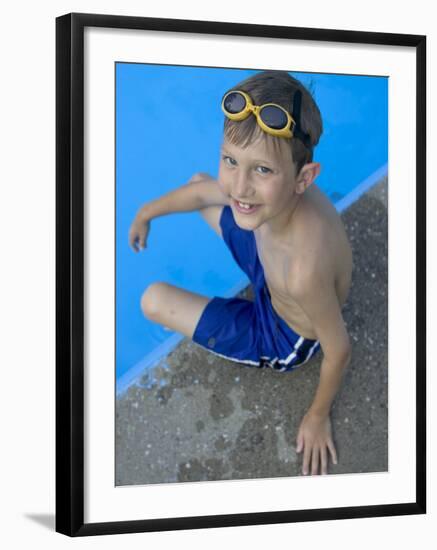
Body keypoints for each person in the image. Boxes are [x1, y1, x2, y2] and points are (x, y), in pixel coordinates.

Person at [129, 70, 353, 476]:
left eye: (262, 171)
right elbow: (205, 191)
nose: (240, 186)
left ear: (305, 178)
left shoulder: (303, 271)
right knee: (201, 184)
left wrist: (317, 416)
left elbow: (339, 349)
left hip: (282, 333)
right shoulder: (275, 199)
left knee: (153, 300)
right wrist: (147, 212)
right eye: (231, 160)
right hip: (270, 261)